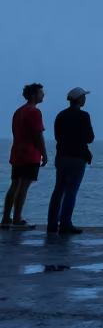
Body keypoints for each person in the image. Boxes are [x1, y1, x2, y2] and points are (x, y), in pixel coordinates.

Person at [47, 87, 94, 235]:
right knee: (71, 191)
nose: (85, 99)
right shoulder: (84, 116)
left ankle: (52, 223)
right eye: (84, 97)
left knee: (58, 190)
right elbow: (90, 138)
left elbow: (56, 136)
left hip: (61, 156)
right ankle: (65, 223)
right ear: (79, 99)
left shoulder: (61, 115)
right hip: (77, 157)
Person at [2, 84, 47, 230]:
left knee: (14, 184)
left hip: (17, 153)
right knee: (24, 186)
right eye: (41, 93)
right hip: (30, 153)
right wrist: (44, 153)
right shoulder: (34, 112)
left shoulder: (18, 111)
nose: (43, 95)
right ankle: (17, 219)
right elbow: (37, 134)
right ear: (34, 95)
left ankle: (6, 218)